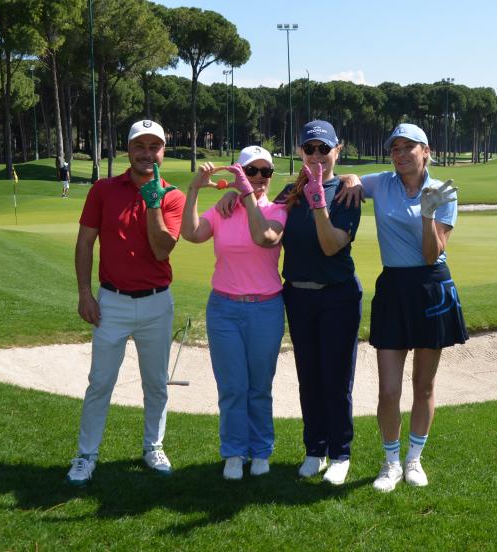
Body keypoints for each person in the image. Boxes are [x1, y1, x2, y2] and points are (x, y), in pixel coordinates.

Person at [215, 121, 362, 486]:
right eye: (309, 149)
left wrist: (322, 198)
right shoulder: (289, 193)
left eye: (323, 149)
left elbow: (331, 245)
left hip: (338, 296)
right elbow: (264, 220)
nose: (316, 155)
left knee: (336, 379)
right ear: (300, 152)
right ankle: (315, 449)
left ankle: (340, 454)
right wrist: (233, 196)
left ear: (337, 151)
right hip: (297, 296)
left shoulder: (346, 193)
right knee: (308, 378)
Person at [338, 123, 468, 493]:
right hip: (393, 287)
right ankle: (391, 462)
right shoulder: (382, 183)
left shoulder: (443, 191)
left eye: (408, 147)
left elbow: (430, 254)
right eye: (394, 148)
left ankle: (414, 459)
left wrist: (428, 214)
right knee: (389, 390)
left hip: (431, 287)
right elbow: (346, 179)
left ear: (426, 151)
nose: (399, 154)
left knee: (423, 386)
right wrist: (350, 177)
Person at [66, 119, 185, 487]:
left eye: (154, 147)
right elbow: (85, 243)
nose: (147, 154)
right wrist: (85, 293)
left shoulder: (173, 196)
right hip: (112, 302)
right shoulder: (103, 190)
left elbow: (162, 249)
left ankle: (153, 446)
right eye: (139, 146)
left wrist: (153, 203)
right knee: (100, 382)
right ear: (128, 149)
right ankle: (86, 454)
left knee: (156, 383)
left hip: (156, 303)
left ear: (163, 152)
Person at [180, 146, 287, 481]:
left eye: (265, 172)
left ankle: (261, 450)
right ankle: (234, 452)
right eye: (251, 171)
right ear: (240, 173)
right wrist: (194, 189)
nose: (259, 177)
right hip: (224, 309)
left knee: (259, 386)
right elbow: (192, 234)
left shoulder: (278, 210)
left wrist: (245, 195)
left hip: (265, 308)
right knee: (232, 387)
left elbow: (264, 236)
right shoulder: (222, 209)